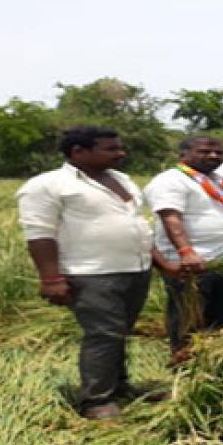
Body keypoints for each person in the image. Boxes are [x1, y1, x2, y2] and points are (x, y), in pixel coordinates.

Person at [16, 126, 167, 419]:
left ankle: (120, 387)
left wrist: (161, 264)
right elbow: (39, 235)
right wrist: (51, 279)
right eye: (110, 149)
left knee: (120, 332)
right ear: (78, 152)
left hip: (134, 269)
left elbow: (138, 225)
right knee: (103, 334)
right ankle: (96, 401)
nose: (120, 153)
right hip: (92, 272)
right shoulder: (48, 185)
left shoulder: (120, 179)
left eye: (119, 147)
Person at [144, 136, 223, 361]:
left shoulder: (217, 180)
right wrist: (186, 251)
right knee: (189, 318)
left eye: (218, 152)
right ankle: (184, 366)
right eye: (204, 152)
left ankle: (218, 361)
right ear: (182, 155)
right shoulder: (171, 180)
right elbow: (170, 216)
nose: (213, 156)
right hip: (193, 261)